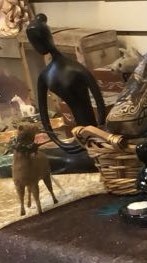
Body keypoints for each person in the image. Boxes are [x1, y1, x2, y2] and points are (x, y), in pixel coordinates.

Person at [25, 13, 106, 168]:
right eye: (34, 42)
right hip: (78, 139)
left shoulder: (76, 69)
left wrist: (98, 133)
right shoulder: (45, 75)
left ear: (49, 38)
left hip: (92, 135)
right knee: (50, 161)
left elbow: (100, 106)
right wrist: (59, 142)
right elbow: (44, 117)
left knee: (82, 161)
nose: (38, 46)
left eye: (39, 40)